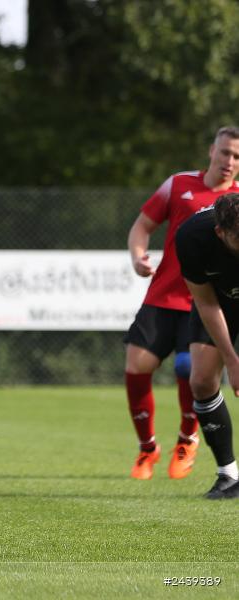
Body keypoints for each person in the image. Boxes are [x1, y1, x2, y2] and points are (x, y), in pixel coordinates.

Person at [123, 126, 239, 480]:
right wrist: (138, 257)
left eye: (237, 157)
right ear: (211, 151)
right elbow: (142, 226)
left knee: (191, 371)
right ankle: (148, 448)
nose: (230, 162)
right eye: (225, 153)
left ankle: (188, 439)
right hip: (166, 295)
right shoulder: (178, 185)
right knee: (136, 365)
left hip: (209, 301)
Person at [175, 194, 239, 499]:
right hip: (220, 301)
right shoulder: (191, 237)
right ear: (220, 232)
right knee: (201, 381)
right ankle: (228, 475)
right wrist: (231, 359)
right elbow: (205, 302)